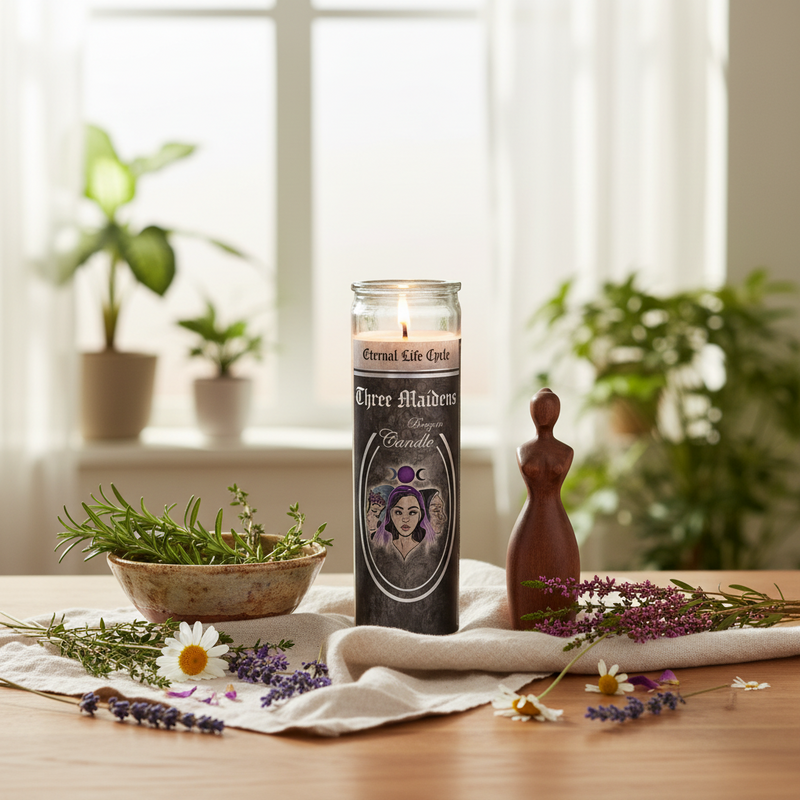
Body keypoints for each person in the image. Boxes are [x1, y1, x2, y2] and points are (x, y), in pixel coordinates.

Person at [373, 485, 433, 560]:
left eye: (412, 512)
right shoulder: (381, 547)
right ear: (390, 514)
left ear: (420, 515)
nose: (405, 519)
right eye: (398, 512)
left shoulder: (428, 549)